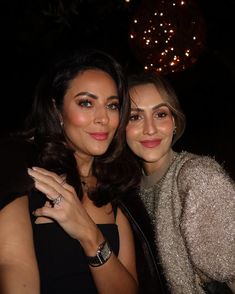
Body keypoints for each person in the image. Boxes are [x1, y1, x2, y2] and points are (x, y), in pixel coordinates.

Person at [0, 49, 141, 294]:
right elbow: (14, 266)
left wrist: (89, 234)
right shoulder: (26, 175)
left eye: (112, 105)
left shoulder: (118, 193)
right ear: (56, 110)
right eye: (86, 103)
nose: (103, 119)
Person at [125, 71, 235, 294]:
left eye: (160, 114)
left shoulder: (199, 178)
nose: (150, 129)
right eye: (135, 117)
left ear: (174, 121)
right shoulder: (127, 188)